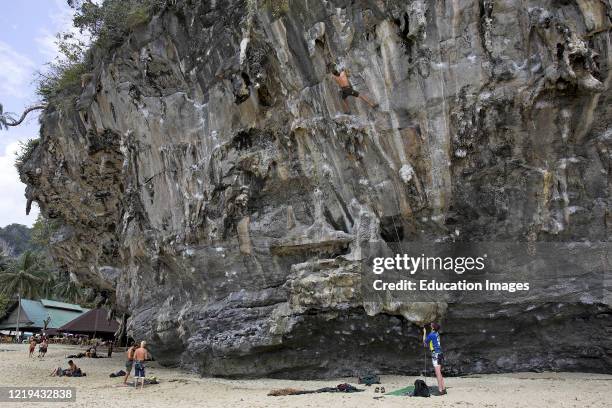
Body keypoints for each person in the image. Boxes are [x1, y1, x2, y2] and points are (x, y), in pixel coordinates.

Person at [423, 323, 446, 395]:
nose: (430, 325)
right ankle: (443, 388)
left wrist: (424, 333)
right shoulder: (436, 333)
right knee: (439, 372)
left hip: (435, 354)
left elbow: (425, 342)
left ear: (433, 328)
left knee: (437, 373)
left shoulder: (431, 334)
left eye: (431, 325)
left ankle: (440, 390)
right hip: (440, 353)